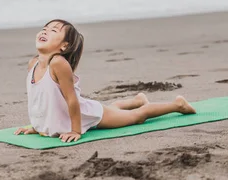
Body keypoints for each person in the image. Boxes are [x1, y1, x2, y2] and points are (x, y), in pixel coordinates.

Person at [15, 19, 196, 143]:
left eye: (53, 31)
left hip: (85, 114)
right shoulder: (33, 64)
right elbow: (39, 100)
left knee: (136, 117)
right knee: (112, 112)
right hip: (80, 112)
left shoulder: (58, 63)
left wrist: (76, 130)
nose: (45, 31)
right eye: (44, 29)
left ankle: (177, 105)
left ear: (64, 46)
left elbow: (71, 100)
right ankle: (137, 100)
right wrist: (38, 126)